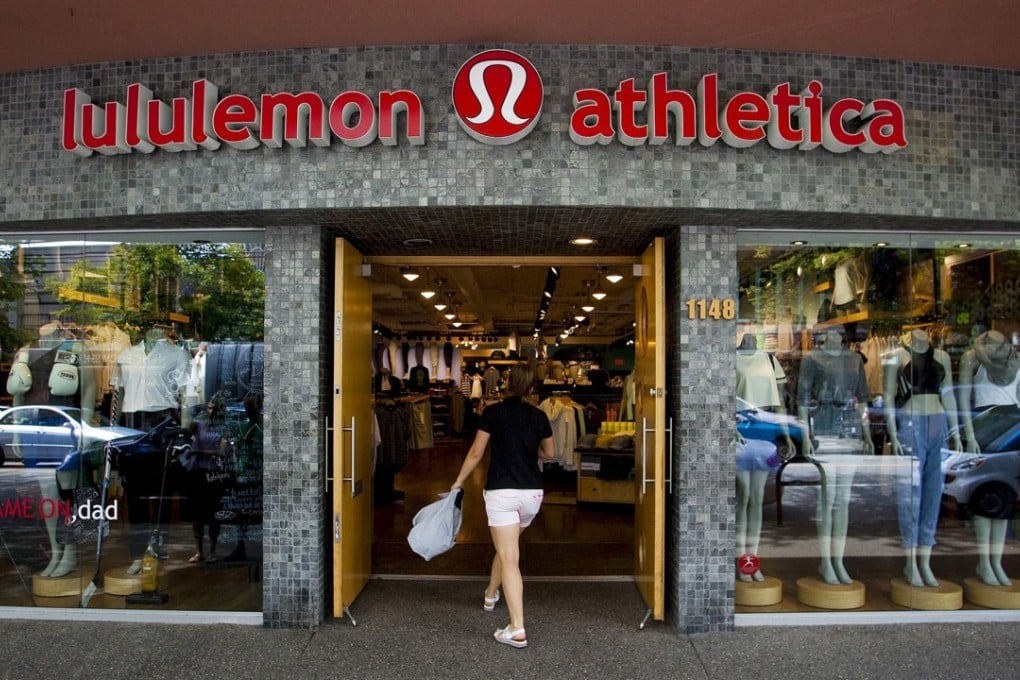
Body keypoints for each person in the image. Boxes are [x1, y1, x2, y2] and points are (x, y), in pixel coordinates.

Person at [450, 362, 555, 649]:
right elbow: (550, 453)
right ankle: (490, 594)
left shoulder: (493, 413)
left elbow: (476, 452)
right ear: (532, 387)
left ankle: (517, 627)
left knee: (509, 555)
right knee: (507, 547)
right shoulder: (539, 416)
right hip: (531, 494)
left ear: (507, 384)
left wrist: (459, 481)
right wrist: (526, 448)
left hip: (502, 492)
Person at [883, 329, 961, 587]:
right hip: (910, 422)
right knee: (911, 494)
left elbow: (948, 393)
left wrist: (957, 430)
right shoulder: (896, 356)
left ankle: (925, 562)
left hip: (938, 420)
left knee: (933, 492)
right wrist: (892, 434)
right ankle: (910, 562)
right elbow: (887, 397)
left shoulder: (942, 356)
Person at [797, 328, 873, 585]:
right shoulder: (813, 358)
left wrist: (866, 431)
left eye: (838, 332)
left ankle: (838, 560)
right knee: (828, 497)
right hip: (823, 426)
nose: (834, 335)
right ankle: (825, 561)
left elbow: (863, 398)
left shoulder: (854, 359)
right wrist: (806, 434)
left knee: (844, 498)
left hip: (848, 427)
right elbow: (803, 399)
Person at [957, 330, 1020, 586]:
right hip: (985, 425)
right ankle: (984, 561)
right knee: (985, 493)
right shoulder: (972, 357)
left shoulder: (1015, 359)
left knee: (1006, 495)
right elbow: (962, 398)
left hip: (1013, 426)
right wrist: (968, 434)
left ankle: (997, 561)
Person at [182, 392, 233, 564]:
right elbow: (185, 425)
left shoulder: (224, 427)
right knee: (196, 515)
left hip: (213, 473)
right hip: (197, 472)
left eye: (214, 408)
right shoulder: (201, 425)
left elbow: (221, 451)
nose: (211, 411)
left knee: (212, 514)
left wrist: (198, 451)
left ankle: (212, 550)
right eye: (209, 407)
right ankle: (199, 551)